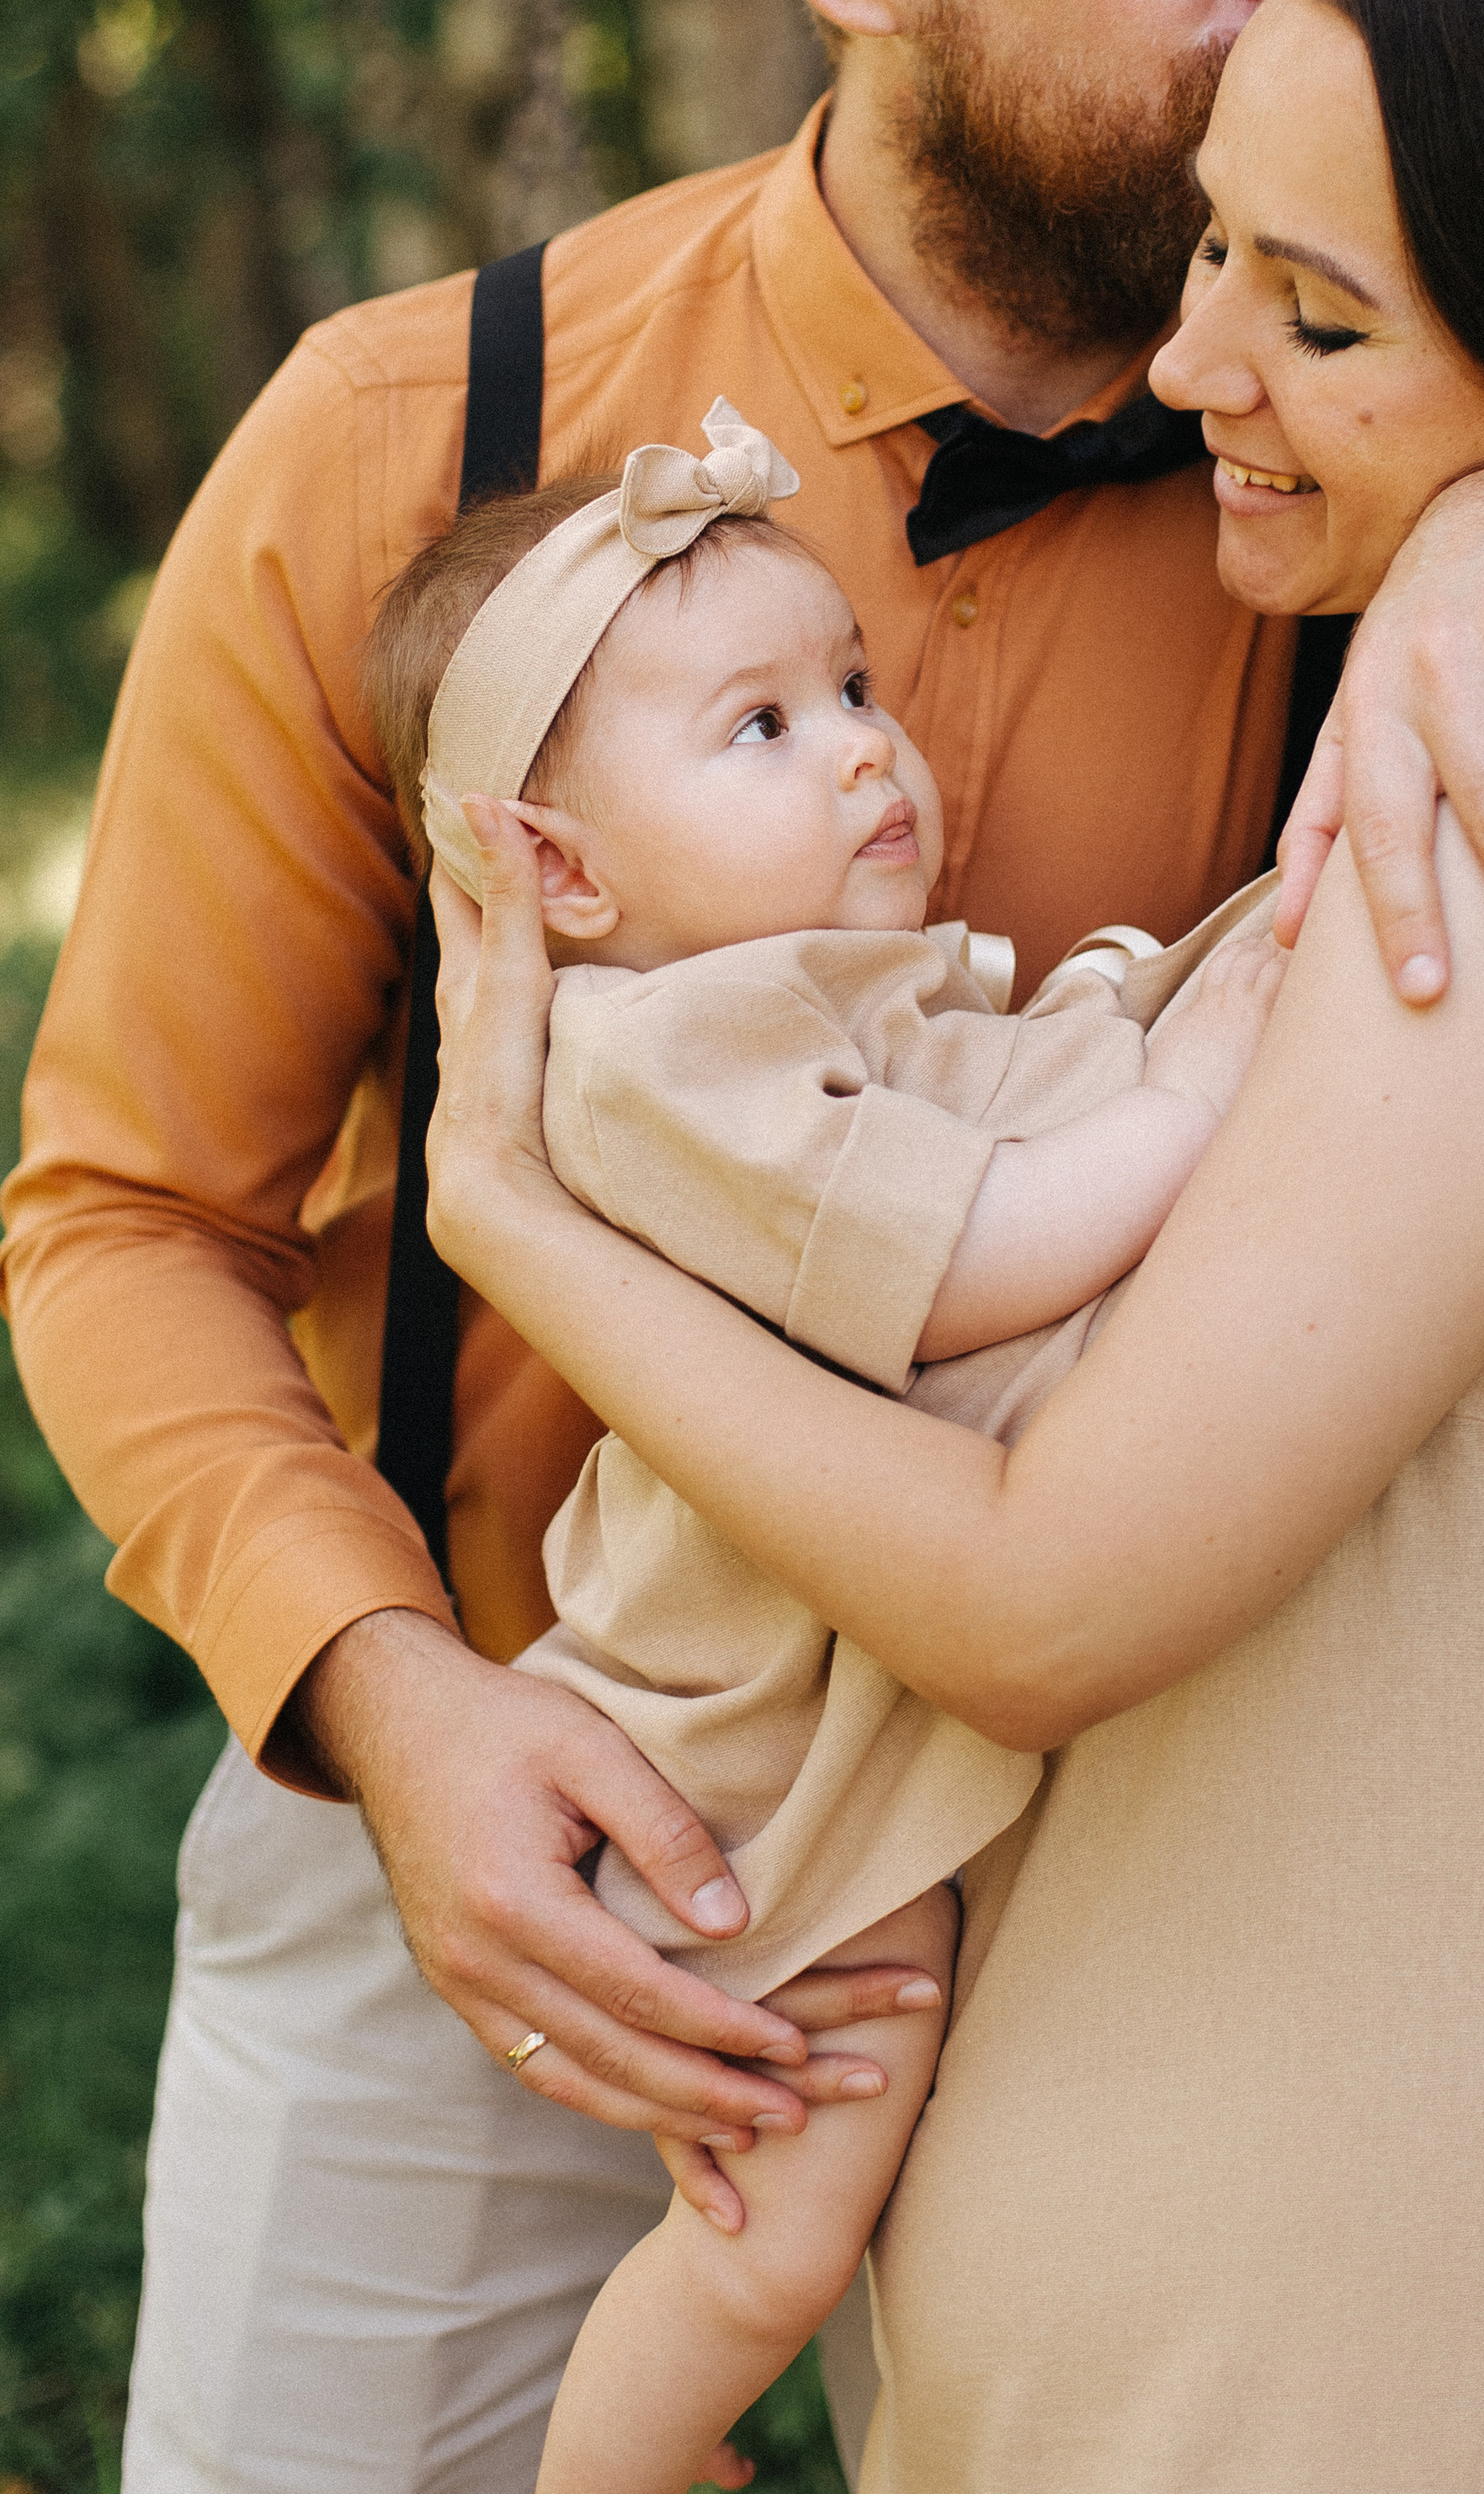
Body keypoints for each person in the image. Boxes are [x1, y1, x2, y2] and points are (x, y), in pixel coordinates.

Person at [0, 0, 1484, 2494]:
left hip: (1113, 1848)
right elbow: (123, 1216)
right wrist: (395, 1707)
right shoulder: (416, 437)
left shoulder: (1384, 450)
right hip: (506, 1786)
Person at [423, 0, 1484, 2493]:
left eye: (1319, 311)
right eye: (1217, 244)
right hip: (1183, 2326)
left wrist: (525, 1226)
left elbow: (1041, 1605)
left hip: (1357, 2368)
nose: (1187, 361)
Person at [364, 409, 1282, 2493]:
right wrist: (1206, 1072)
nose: (865, 747)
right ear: (565, 877)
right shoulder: (664, 1061)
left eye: (851, 687)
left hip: (861, 1685)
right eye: (760, 730)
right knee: (787, 2214)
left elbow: (1003, 1071)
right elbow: (982, 1248)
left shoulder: (789, 1002)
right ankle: (616, 2463)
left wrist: (1147, 1003)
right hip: (749, 1767)